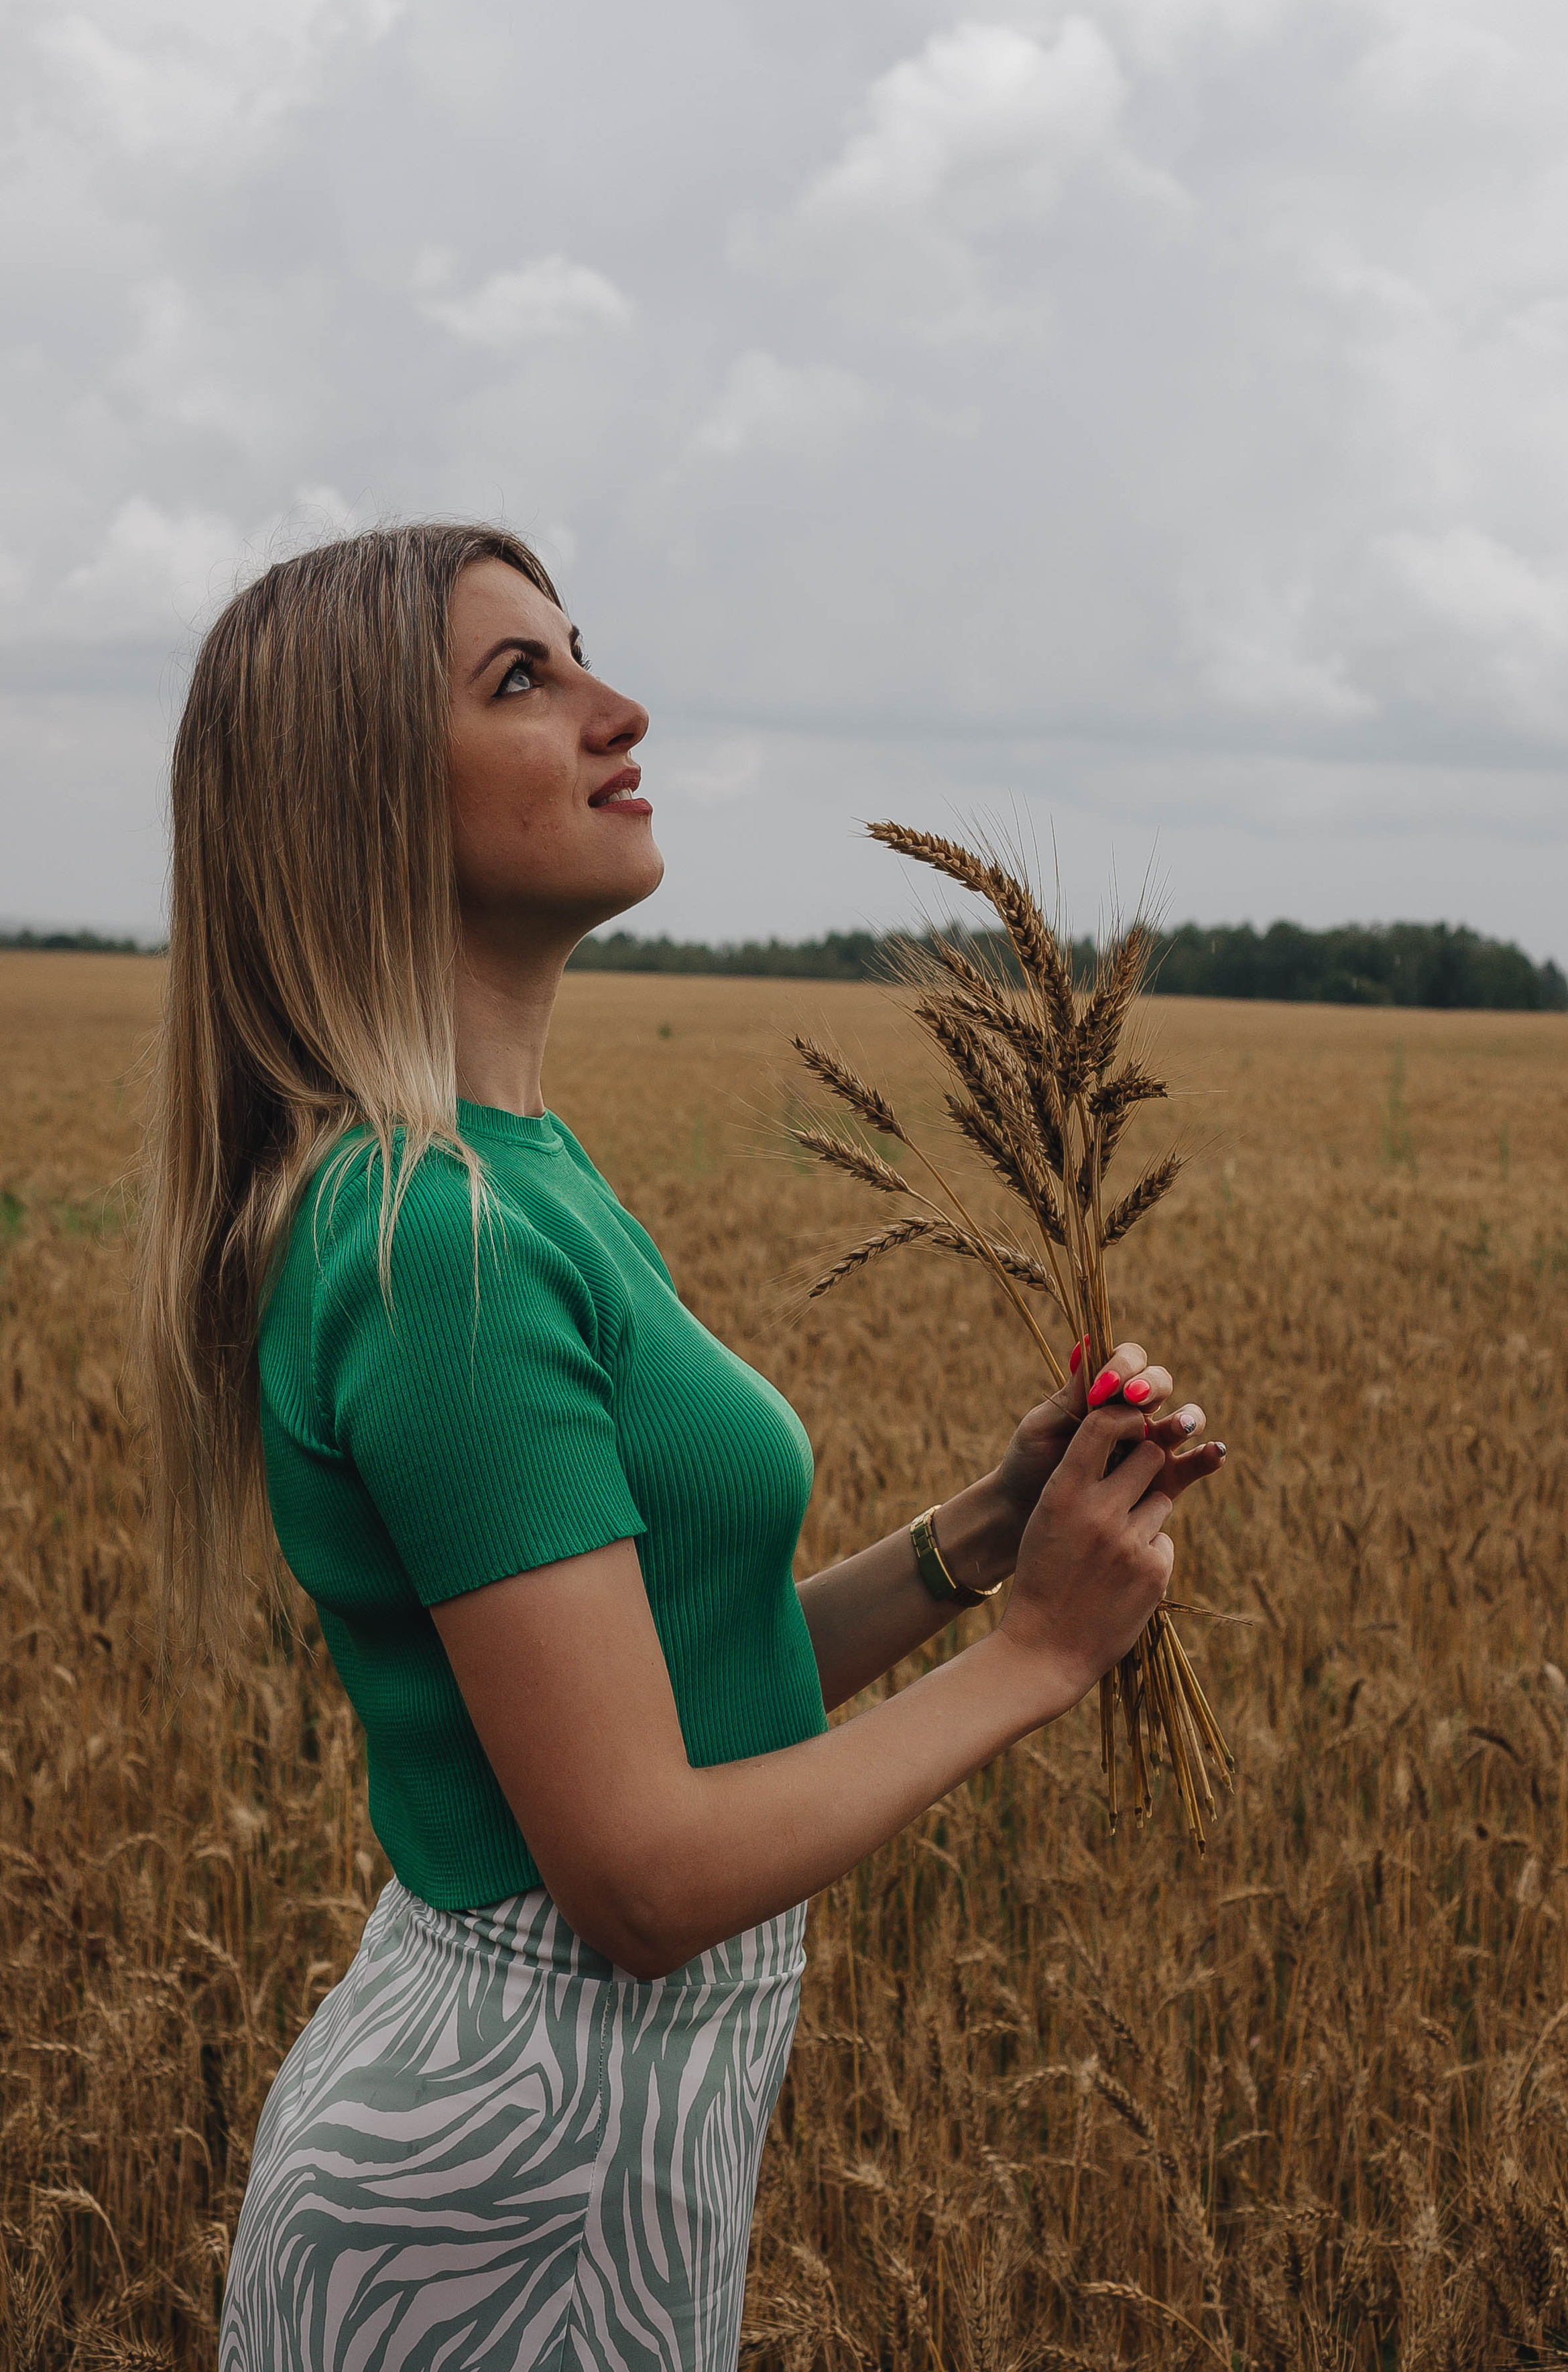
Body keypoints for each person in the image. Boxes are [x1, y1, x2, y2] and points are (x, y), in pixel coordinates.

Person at [133, 522, 1225, 2371]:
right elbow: (640, 1875)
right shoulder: (444, 1251)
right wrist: (1042, 1657)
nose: (619, 710)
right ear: (357, 803)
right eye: (524, 682)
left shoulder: (517, 1181)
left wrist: (976, 1543)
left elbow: (685, 1701)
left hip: (590, 2160)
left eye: (582, 656)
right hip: (491, 2197)